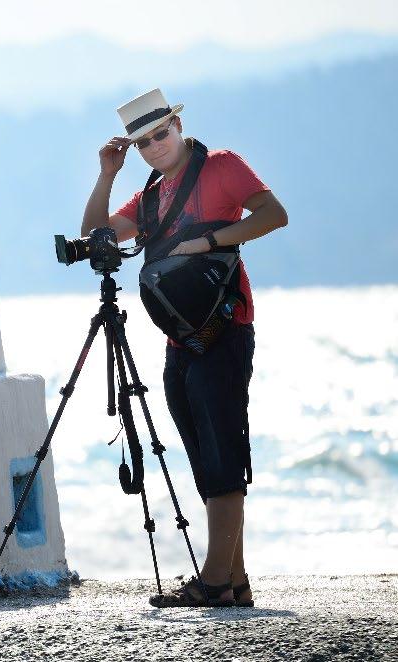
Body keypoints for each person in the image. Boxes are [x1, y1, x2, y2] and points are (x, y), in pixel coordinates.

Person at [80, 89, 288, 607]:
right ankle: (233, 582)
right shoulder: (149, 196)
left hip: (226, 327)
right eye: (142, 142)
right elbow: (93, 238)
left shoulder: (221, 165)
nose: (153, 147)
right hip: (180, 339)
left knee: (223, 451)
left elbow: (273, 214)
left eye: (160, 134)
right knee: (202, 451)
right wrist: (108, 174)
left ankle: (215, 581)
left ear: (177, 124)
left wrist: (209, 242)